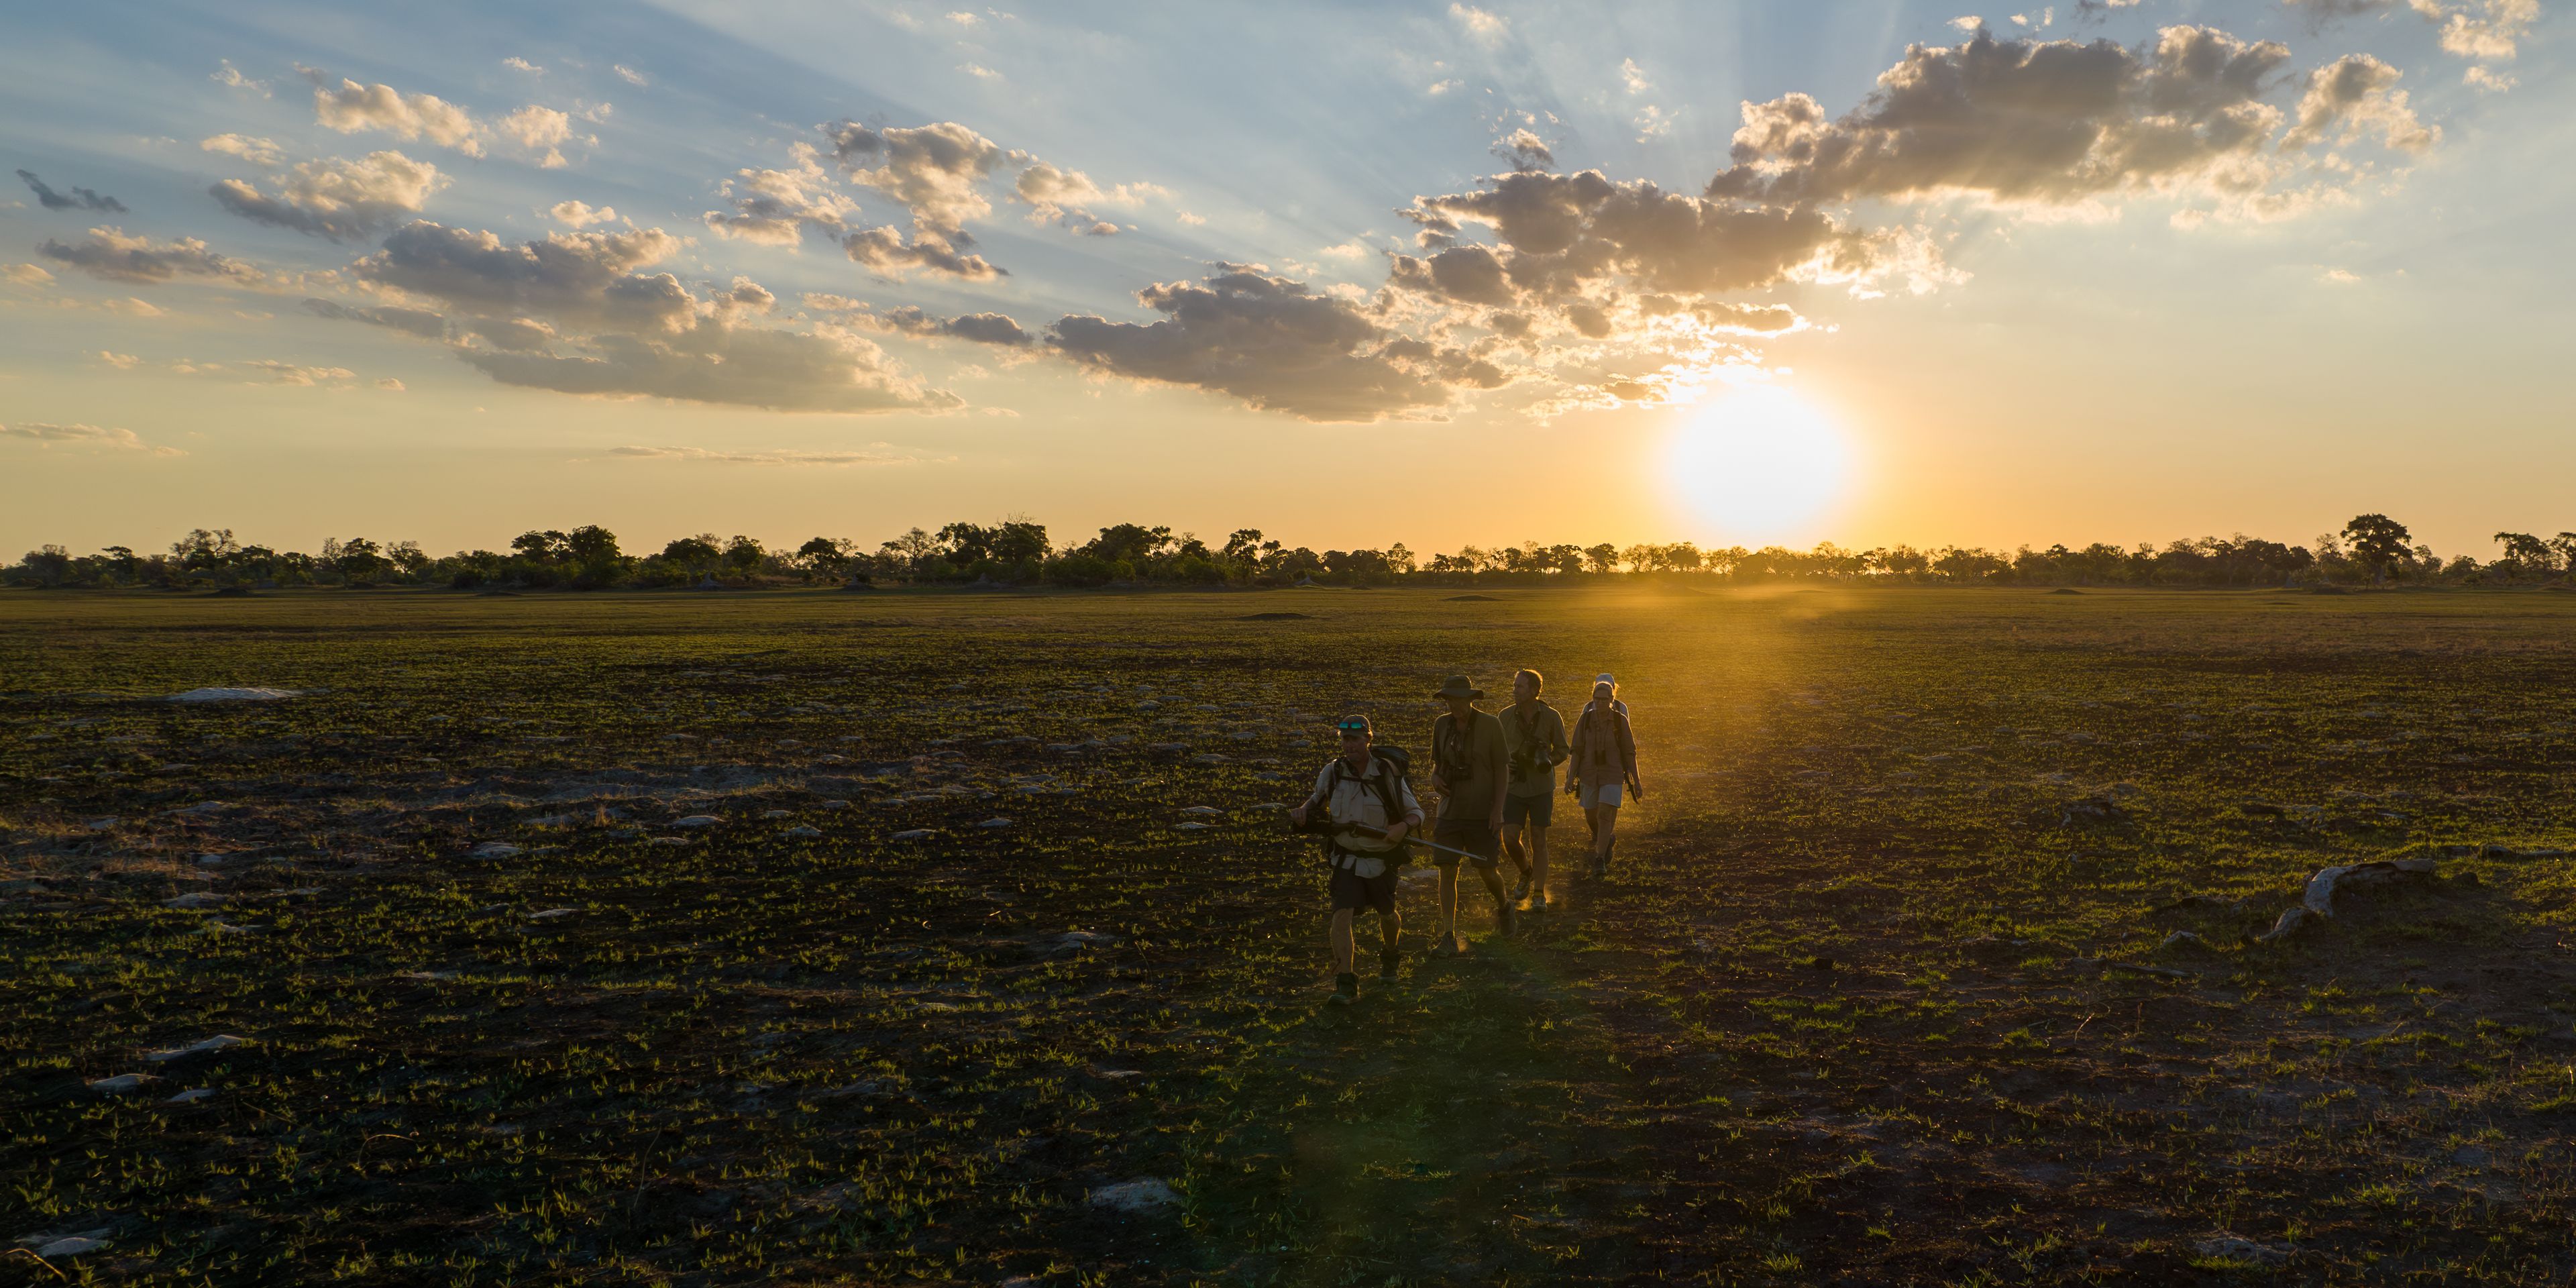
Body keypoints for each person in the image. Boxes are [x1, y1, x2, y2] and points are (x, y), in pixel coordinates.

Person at [1289, 714, 1421, 1006]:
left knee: (1387, 915)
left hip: (1380, 861)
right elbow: (1316, 799)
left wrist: (1402, 827)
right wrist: (1302, 812)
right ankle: (1346, 983)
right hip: (1345, 859)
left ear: (1368, 740)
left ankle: (1390, 956)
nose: (1349, 745)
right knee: (1341, 915)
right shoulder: (1333, 772)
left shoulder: (1387, 773)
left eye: (1355, 739)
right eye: (1345, 740)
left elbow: (1415, 813)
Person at [1428, 674, 1513, 954]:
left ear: (1471, 700)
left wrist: (1498, 810)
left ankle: (1504, 906)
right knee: (1447, 870)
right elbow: (1438, 765)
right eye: (1451, 699)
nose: (1456, 705)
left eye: (1461, 699)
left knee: (1487, 871)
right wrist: (1434, 779)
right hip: (1450, 813)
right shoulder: (1441, 725)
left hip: (1481, 813)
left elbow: (1502, 769)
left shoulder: (1490, 725)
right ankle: (1448, 935)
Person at [1495, 668, 1569, 912]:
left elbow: (1562, 749)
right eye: (1515, 686)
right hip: (1514, 786)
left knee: (1539, 839)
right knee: (1509, 837)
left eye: (1520, 687)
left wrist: (1546, 759)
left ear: (1535, 691)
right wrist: (1507, 762)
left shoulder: (1551, 716)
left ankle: (1539, 894)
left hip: (1540, 787)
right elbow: (1496, 749)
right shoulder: (1504, 717)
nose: (1515, 691)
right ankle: (1526, 871)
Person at [1566, 674, 1641, 879]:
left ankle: (1599, 858)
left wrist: (1637, 780)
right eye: (1596, 699)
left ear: (1612, 700)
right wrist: (1570, 777)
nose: (1599, 703)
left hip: (1612, 773)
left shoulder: (1620, 719)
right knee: (1591, 814)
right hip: (1589, 774)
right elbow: (1577, 749)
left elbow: (1629, 751)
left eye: (1604, 699)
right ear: (1592, 699)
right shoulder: (1585, 719)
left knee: (1604, 814)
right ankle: (1605, 839)